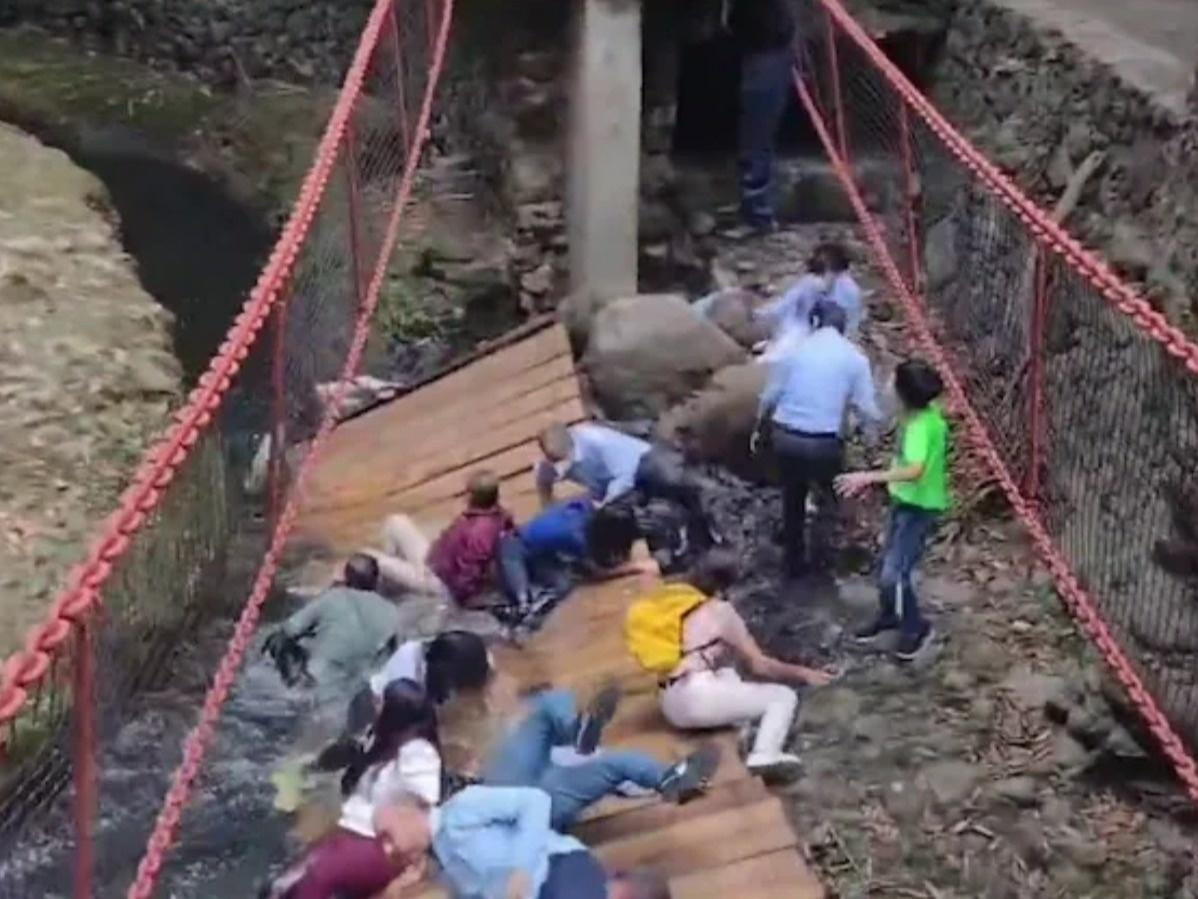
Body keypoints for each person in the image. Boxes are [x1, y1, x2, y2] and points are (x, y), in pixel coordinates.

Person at [658, 551, 832, 778]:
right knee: (782, 697)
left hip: (669, 702)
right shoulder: (721, 612)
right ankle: (765, 753)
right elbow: (760, 666)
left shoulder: (672, 601)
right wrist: (805, 674)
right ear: (725, 585)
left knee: (728, 673)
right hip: (696, 702)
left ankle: (742, 732)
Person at [265, 679, 441, 899]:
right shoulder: (384, 741)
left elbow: (426, 802)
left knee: (318, 876)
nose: (376, 705)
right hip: (353, 833)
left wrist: (407, 847)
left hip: (377, 843)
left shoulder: (418, 752)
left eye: (382, 702)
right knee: (279, 887)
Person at [752, 301, 884, 577]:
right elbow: (866, 408)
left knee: (793, 496)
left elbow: (771, 396)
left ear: (814, 323)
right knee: (829, 494)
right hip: (825, 443)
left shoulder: (794, 352)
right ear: (843, 327)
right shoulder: (855, 359)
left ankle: (793, 561)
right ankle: (823, 556)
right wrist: (872, 440)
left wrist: (758, 427)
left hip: (786, 436)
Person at [482, 684, 720, 830]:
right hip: (537, 806)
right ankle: (669, 781)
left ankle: (576, 729)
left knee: (547, 713)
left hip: (503, 806)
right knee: (618, 763)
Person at [835, 359, 950, 661]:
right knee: (890, 563)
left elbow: (914, 469)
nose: (886, 385)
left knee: (896, 574)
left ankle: (915, 627)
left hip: (918, 507)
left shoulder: (919, 428)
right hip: (905, 502)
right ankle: (889, 615)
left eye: (892, 382)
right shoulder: (920, 415)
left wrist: (868, 477)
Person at [373, 791, 672, 899]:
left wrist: (521, 867)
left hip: (557, 869)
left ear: (408, 812)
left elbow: (535, 801)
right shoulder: (440, 865)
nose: (388, 850)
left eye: (388, 835)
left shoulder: (461, 809)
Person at [536, 423, 714, 563]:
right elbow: (544, 483)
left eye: (564, 459)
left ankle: (700, 527)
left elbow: (624, 475)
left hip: (640, 465)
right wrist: (550, 508)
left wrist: (606, 502)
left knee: (672, 488)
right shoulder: (550, 465)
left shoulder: (597, 441)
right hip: (611, 488)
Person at [369, 469, 515, 608]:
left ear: (471, 496)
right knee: (396, 521)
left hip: (439, 583)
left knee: (371, 559)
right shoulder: (495, 515)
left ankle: (384, 593)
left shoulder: (477, 534)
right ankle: (394, 582)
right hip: (432, 561)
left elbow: (467, 580)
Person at [264, 554, 400, 691]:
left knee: (277, 639)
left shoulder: (333, 598)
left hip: (318, 680)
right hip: (364, 683)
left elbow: (289, 630)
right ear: (377, 580)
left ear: (346, 577)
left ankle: (292, 689)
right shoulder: (392, 611)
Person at [496, 498, 648, 613]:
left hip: (540, 551)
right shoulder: (577, 537)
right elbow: (597, 573)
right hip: (512, 548)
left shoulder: (586, 506)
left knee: (563, 585)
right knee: (523, 603)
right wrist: (634, 567)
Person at [727, 0, 797, 231]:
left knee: (757, 136)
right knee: (754, 134)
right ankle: (753, 208)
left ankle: (757, 215)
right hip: (760, 42)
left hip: (767, 46)